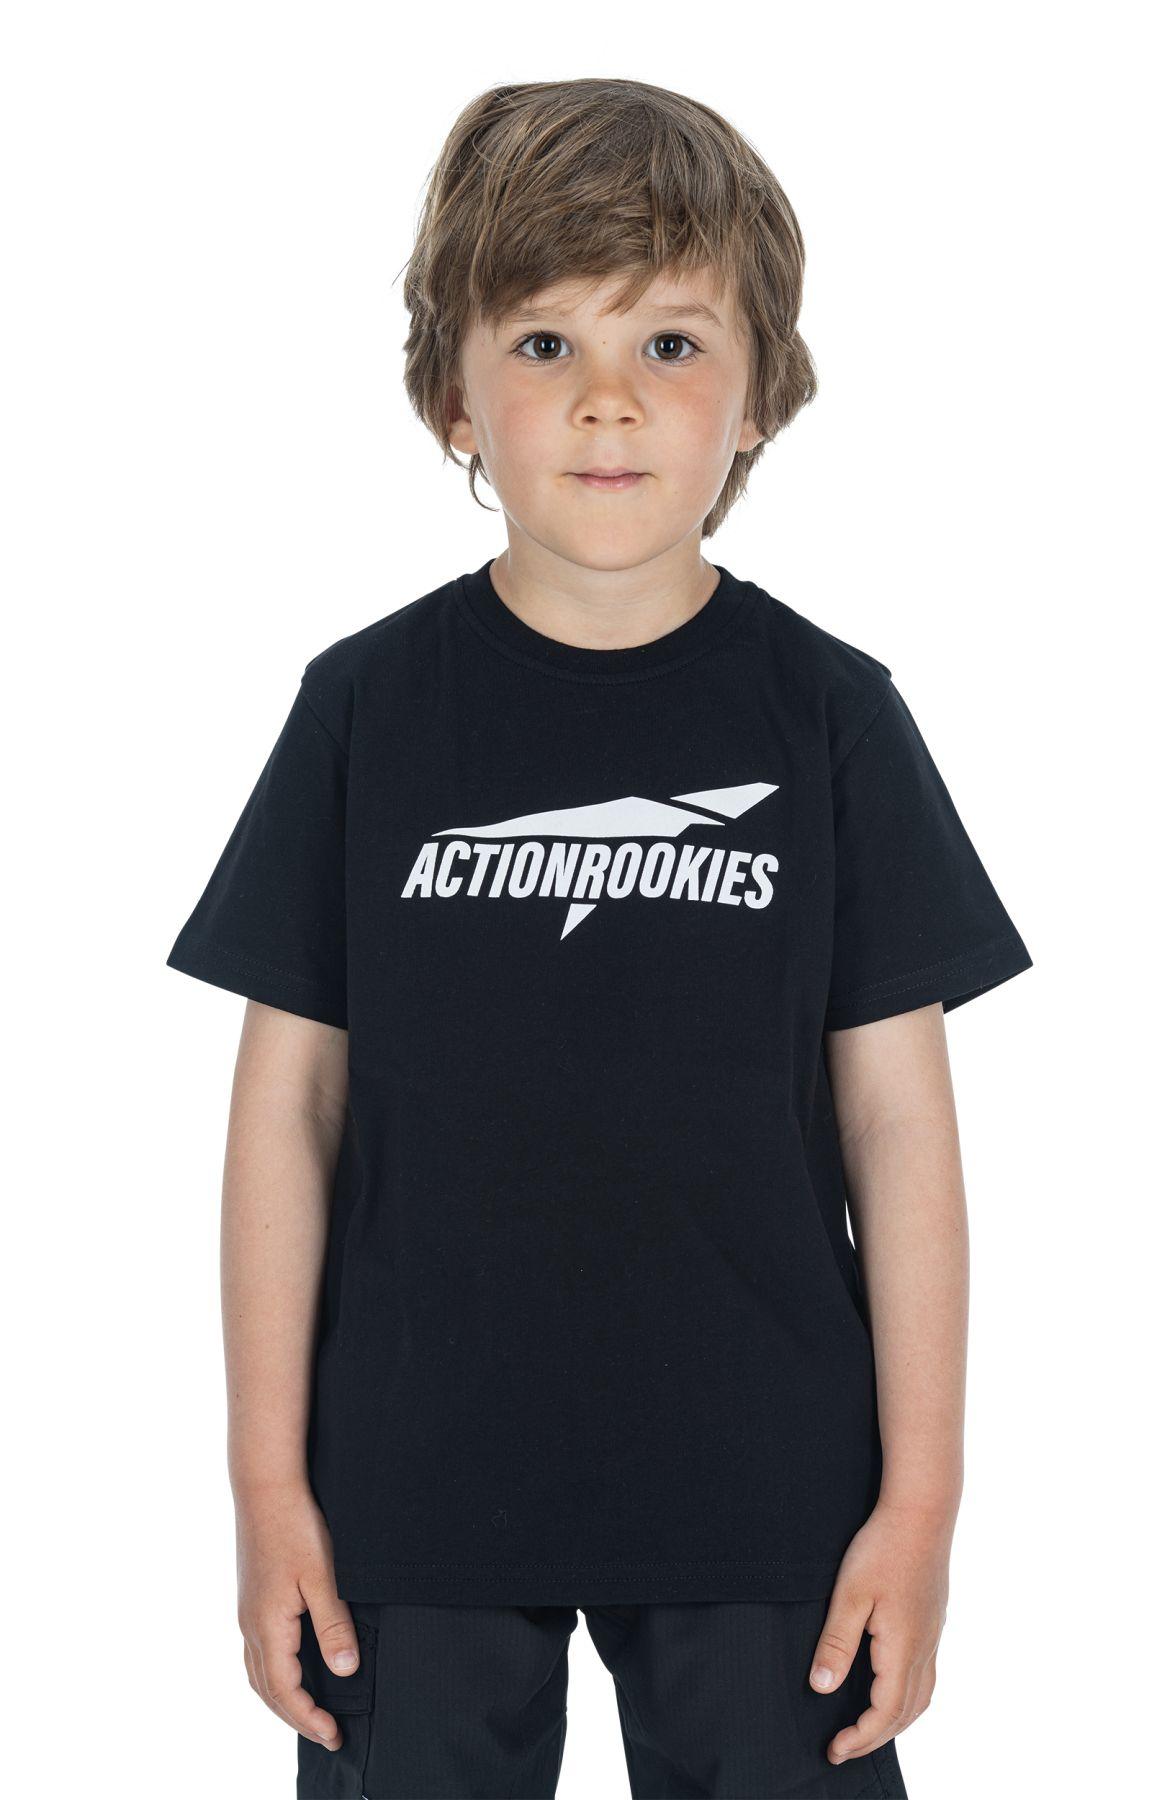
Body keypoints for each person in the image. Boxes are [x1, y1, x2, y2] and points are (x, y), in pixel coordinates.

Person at [166, 76, 1033, 1800]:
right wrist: (267, 1487)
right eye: (547, 342)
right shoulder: (363, 711)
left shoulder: (833, 718)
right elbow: (287, 1112)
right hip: (410, 1483)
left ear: (764, 394)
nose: (609, 400)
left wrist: (922, 1502)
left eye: (673, 344)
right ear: (453, 395)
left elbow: (901, 1130)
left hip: (768, 1483)